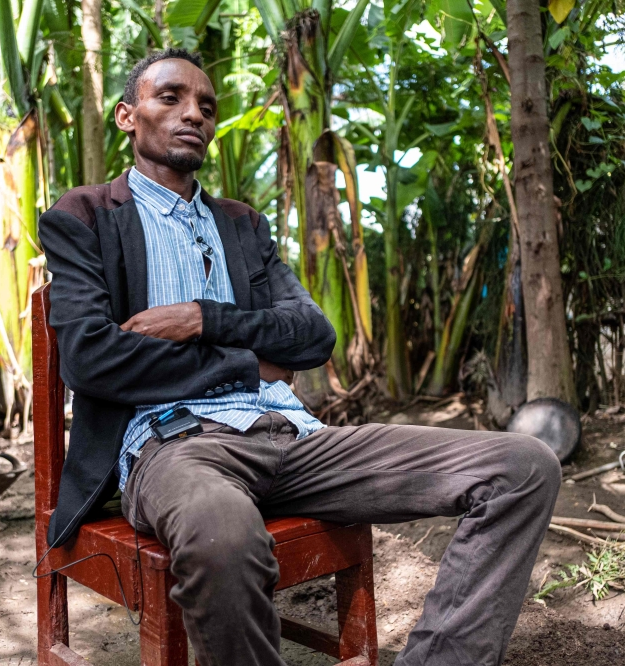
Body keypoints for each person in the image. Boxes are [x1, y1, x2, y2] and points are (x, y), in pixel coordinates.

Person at [38, 48, 561, 666]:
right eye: (171, 98)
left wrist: (203, 318)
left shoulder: (241, 225)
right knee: (221, 538)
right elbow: (92, 359)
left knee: (523, 467)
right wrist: (244, 365)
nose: (194, 114)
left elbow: (312, 336)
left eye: (207, 107)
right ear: (128, 116)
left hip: (296, 439)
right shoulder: (87, 216)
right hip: (176, 447)